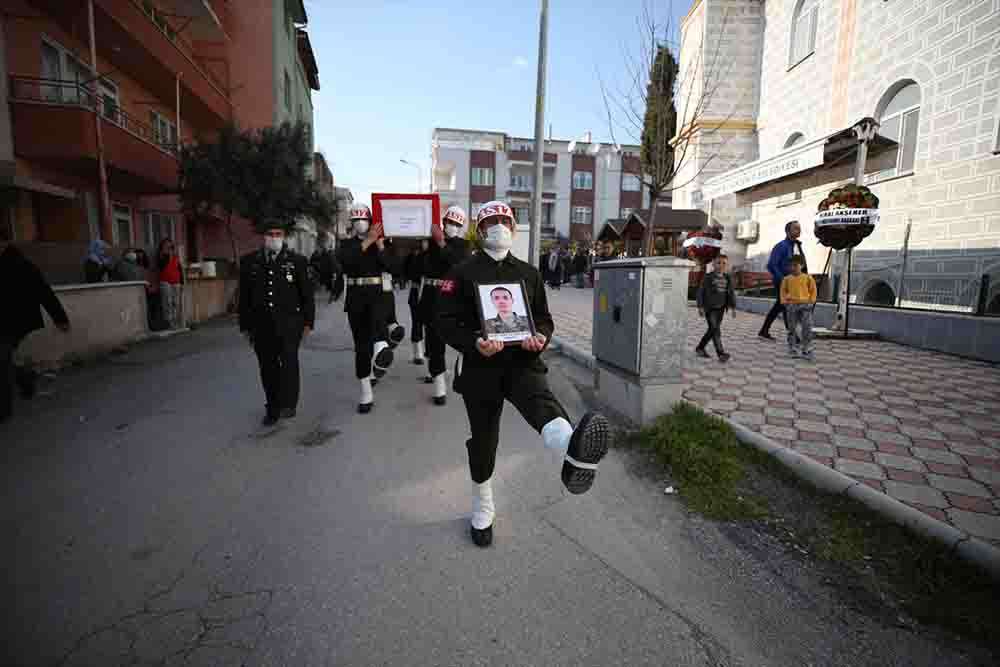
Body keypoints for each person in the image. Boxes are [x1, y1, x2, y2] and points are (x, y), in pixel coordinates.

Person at [435, 201, 610, 548]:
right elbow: (443, 320)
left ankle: (571, 450)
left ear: (514, 228)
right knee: (484, 440)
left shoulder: (529, 274)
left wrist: (541, 336)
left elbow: (543, 317)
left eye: (504, 221)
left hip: (522, 362)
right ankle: (483, 504)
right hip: (480, 367)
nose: (498, 226)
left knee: (542, 405)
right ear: (479, 230)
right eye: (491, 221)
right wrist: (473, 341)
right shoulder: (462, 272)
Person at [238, 220, 315, 426]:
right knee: (268, 367)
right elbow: (243, 297)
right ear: (263, 236)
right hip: (261, 326)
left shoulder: (297, 261)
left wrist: (309, 321)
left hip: (290, 324)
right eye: (270, 234)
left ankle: (289, 403)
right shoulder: (249, 262)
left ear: (284, 236)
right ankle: (272, 406)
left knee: (289, 363)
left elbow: (306, 294)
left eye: (278, 233)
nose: (274, 237)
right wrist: (244, 326)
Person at [333, 203, 397, 413]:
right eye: (356, 220)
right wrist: (368, 241)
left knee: (379, 333)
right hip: (356, 298)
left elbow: (393, 267)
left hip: (378, 297)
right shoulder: (347, 244)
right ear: (352, 223)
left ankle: (380, 355)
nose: (360, 223)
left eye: (364, 219)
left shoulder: (382, 243)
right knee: (361, 346)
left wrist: (379, 245)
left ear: (371, 221)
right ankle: (365, 391)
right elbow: (346, 261)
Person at [1, 239, 71, 423]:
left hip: (14, 321)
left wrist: (60, 318)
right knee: (4, 359)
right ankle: (25, 377)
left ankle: (4, 409)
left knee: (2, 357)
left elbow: (43, 291)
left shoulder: (21, 264)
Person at [418, 206, 471, 405]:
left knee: (457, 339)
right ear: (443, 221)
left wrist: (440, 242)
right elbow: (419, 268)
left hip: (451, 297)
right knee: (434, 342)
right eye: (450, 222)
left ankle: (463, 371)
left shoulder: (463, 245)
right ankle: (439, 384)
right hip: (432, 296)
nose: (452, 226)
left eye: (457, 224)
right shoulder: (430, 242)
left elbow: (458, 263)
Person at [759, 221, 807, 341]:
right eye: (795, 228)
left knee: (781, 306)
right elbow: (771, 265)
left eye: (799, 228)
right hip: (782, 282)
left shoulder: (796, 246)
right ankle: (792, 335)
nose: (798, 230)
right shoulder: (781, 246)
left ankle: (764, 331)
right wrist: (783, 280)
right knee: (786, 306)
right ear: (787, 231)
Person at [695, 254, 736, 363]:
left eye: (724, 263)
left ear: (727, 265)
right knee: (715, 330)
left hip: (721, 308)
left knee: (712, 330)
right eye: (718, 263)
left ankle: (700, 348)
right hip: (710, 308)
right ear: (713, 264)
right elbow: (700, 292)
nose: (721, 265)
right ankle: (721, 353)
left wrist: (733, 307)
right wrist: (700, 306)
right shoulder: (708, 277)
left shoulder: (728, 278)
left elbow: (731, 293)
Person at [781, 255, 817, 361]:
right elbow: (783, 291)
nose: (792, 268)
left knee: (807, 327)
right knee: (791, 328)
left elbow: (813, 291)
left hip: (805, 305)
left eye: (795, 265)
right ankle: (792, 348)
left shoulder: (808, 278)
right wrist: (785, 302)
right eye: (790, 266)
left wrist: (811, 301)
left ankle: (807, 349)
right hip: (791, 305)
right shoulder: (786, 279)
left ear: (802, 265)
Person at [405, 242, 428, 365]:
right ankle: (418, 353)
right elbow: (409, 273)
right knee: (417, 322)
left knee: (430, 326)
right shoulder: (413, 256)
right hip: (416, 291)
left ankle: (429, 354)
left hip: (429, 291)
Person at [156, 238, 184, 330]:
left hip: (176, 282)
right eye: (166, 245)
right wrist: (167, 255)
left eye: (170, 246)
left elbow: (180, 269)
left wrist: (182, 282)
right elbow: (161, 266)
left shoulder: (176, 257)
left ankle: (174, 321)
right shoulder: (161, 256)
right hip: (165, 281)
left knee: (175, 303)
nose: (169, 248)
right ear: (163, 247)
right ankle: (168, 322)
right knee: (167, 302)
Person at [310, 234, 340, 304]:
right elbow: (313, 262)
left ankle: (331, 296)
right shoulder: (320, 254)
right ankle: (330, 296)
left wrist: (334, 273)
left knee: (330, 285)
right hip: (323, 274)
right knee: (328, 285)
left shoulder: (329, 254)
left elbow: (333, 265)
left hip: (328, 273)